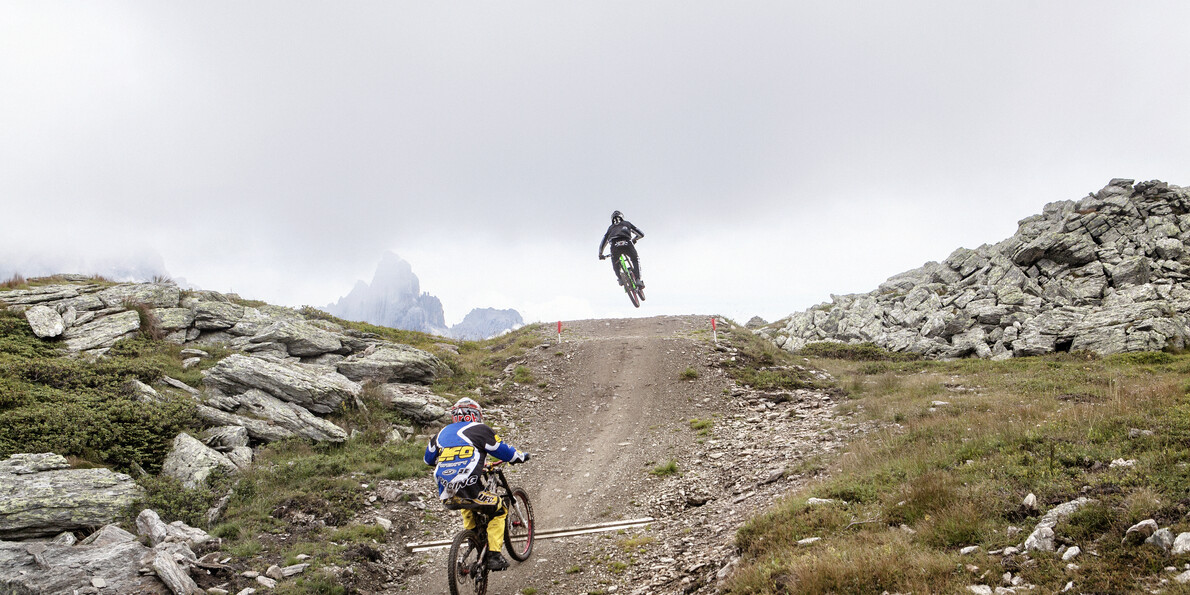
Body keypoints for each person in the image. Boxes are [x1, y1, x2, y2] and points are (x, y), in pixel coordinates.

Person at [424, 397, 530, 571]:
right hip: (470, 488)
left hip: (446, 493)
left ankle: (473, 537)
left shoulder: (441, 433)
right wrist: (520, 456)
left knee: (466, 503)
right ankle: (494, 555)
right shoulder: (480, 429)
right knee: (499, 508)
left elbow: (428, 460)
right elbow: (503, 451)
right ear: (475, 414)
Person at [598, 210, 645, 288]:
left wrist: (600, 254)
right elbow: (641, 234)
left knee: (615, 261)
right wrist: (635, 239)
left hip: (614, 245)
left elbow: (603, 242)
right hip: (627, 243)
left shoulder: (610, 228)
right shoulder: (627, 223)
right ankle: (638, 280)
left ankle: (620, 278)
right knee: (635, 259)